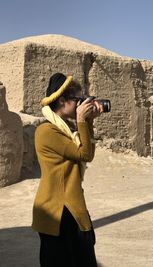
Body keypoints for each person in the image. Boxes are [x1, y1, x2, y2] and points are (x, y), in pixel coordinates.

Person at [31, 73, 103, 267]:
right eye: (77, 100)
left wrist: (88, 122)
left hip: (69, 207)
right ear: (62, 101)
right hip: (57, 211)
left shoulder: (64, 129)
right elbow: (84, 154)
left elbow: (88, 152)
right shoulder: (46, 131)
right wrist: (83, 121)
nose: (81, 105)